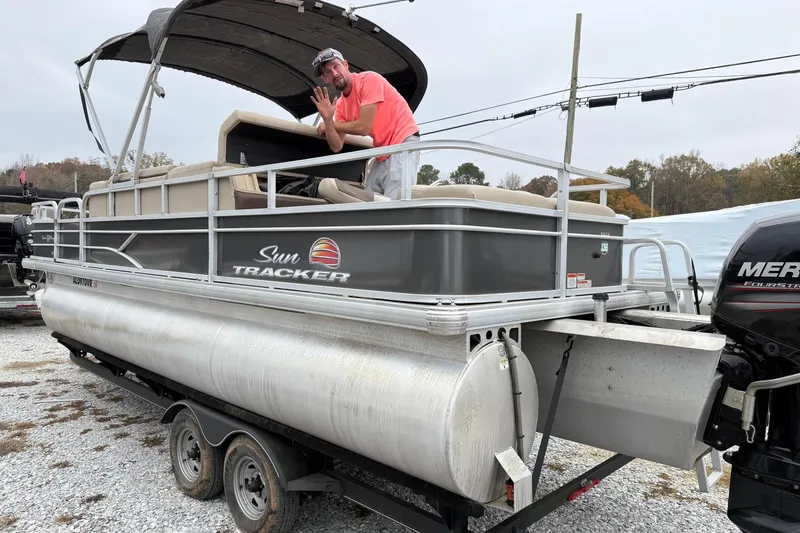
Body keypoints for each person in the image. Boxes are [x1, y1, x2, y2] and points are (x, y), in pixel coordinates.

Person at [310, 48, 420, 200]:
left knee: (396, 206)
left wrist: (333, 124)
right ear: (325, 80)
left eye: (336, 66)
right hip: (382, 153)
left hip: (403, 143)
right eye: (328, 72)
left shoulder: (369, 80)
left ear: (346, 65)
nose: (334, 74)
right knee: (367, 202)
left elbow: (364, 127)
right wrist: (328, 120)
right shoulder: (341, 105)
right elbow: (336, 146)